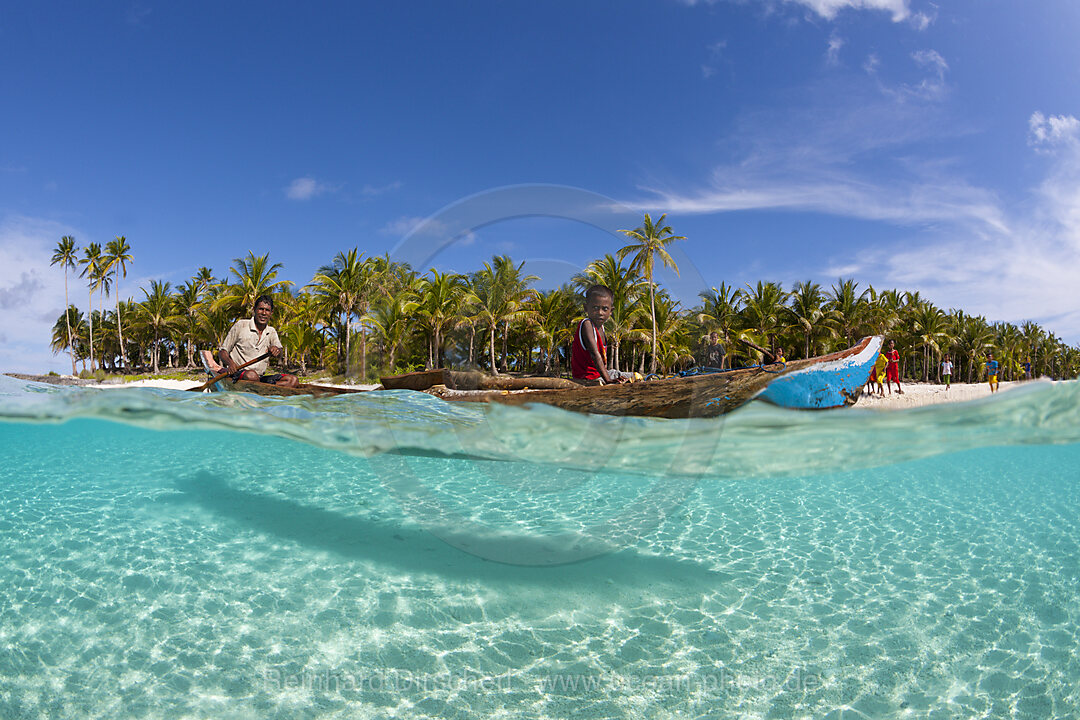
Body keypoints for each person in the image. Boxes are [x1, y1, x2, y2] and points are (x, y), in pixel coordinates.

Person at [218, 295, 299, 388]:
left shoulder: (271, 331)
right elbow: (222, 352)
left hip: (259, 378)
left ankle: (264, 388)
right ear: (254, 309)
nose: (264, 313)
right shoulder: (241, 325)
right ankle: (265, 388)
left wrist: (276, 350)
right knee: (252, 376)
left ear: (271, 312)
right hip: (240, 375)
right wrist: (230, 363)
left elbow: (280, 352)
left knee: (293, 380)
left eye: (267, 310)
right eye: (261, 309)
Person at [571, 285, 628, 384]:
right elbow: (595, 354)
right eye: (595, 308)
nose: (600, 312)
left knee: (633, 376)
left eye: (605, 309)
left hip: (601, 375)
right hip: (588, 379)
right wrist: (608, 381)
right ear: (586, 308)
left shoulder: (601, 328)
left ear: (611, 311)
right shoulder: (586, 325)